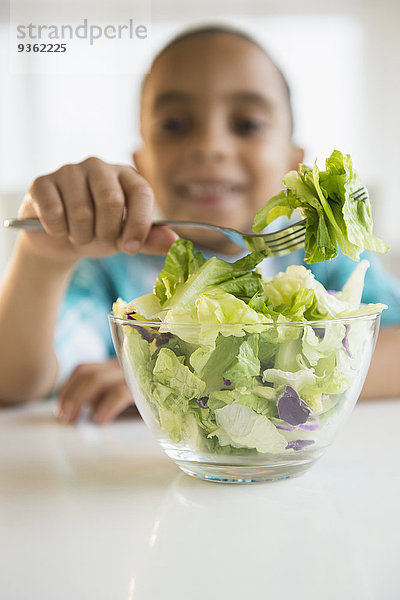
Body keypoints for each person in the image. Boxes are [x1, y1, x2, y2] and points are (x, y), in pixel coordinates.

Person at [1, 26, 400, 424]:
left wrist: (207, 376)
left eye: (247, 125)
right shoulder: (108, 265)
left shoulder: (323, 255)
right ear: (142, 163)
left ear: (292, 162)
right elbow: (15, 382)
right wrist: (41, 260)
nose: (210, 144)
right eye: (175, 125)